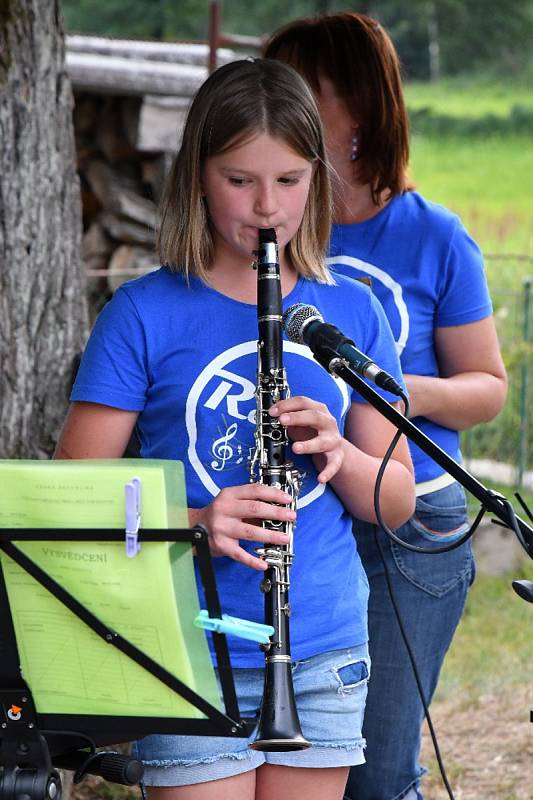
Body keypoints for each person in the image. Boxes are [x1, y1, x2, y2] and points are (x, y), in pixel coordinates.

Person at [54, 58, 415, 800]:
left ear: (315, 178)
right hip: (184, 646)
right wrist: (194, 521)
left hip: (322, 649)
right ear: (197, 176)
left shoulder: (350, 315)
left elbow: (395, 501)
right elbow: (72, 505)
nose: (265, 208)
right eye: (238, 180)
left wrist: (340, 451)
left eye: (287, 180)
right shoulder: (144, 313)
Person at [264, 14, 508, 800]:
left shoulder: (435, 237)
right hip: (305, 524)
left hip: (412, 531)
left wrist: (388, 388)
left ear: (358, 109)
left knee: (374, 769)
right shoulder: (274, 218)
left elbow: (487, 388)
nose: (278, 105)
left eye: (300, 88)